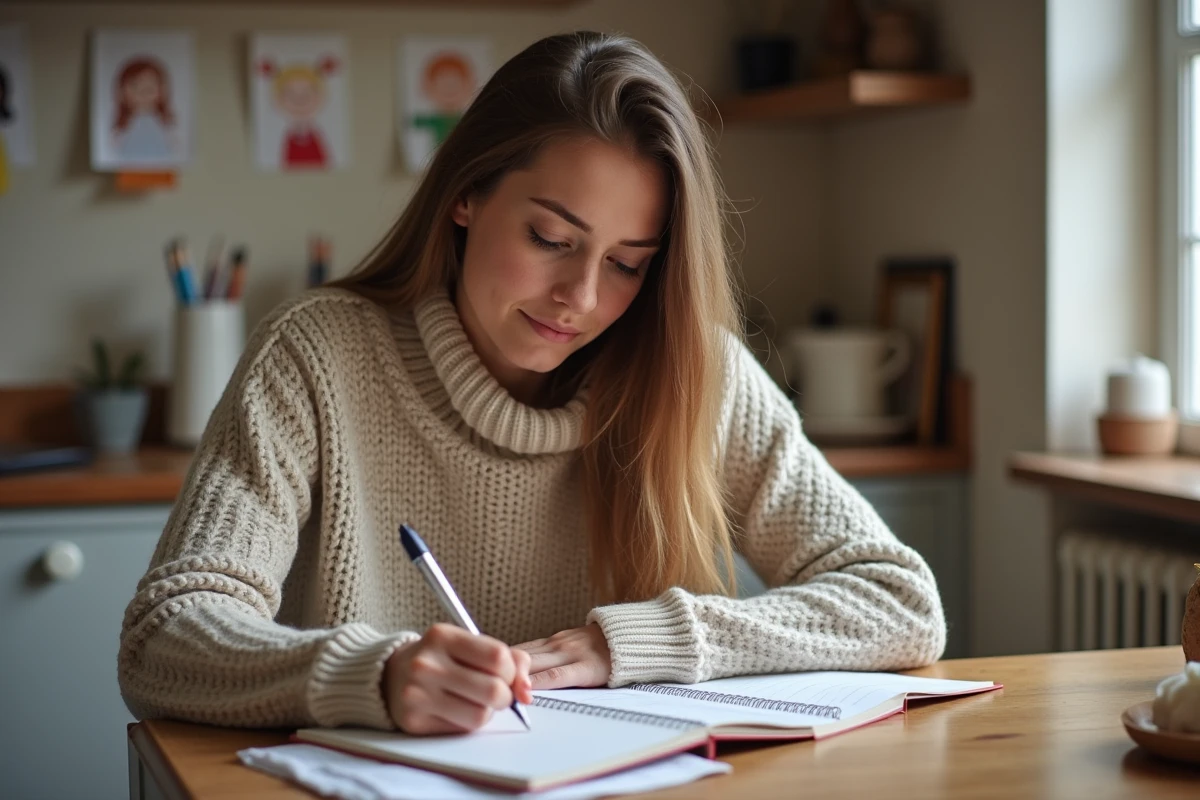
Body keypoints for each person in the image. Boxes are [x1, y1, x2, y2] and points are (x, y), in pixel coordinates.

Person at [118, 31, 945, 736]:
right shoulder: (317, 356)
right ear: (468, 195)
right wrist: (375, 674)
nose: (582, 299)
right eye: (552, 237)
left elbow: (901, 601)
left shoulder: (695, 371)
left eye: (627, 264)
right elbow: (165, 637)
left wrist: (631, 644)